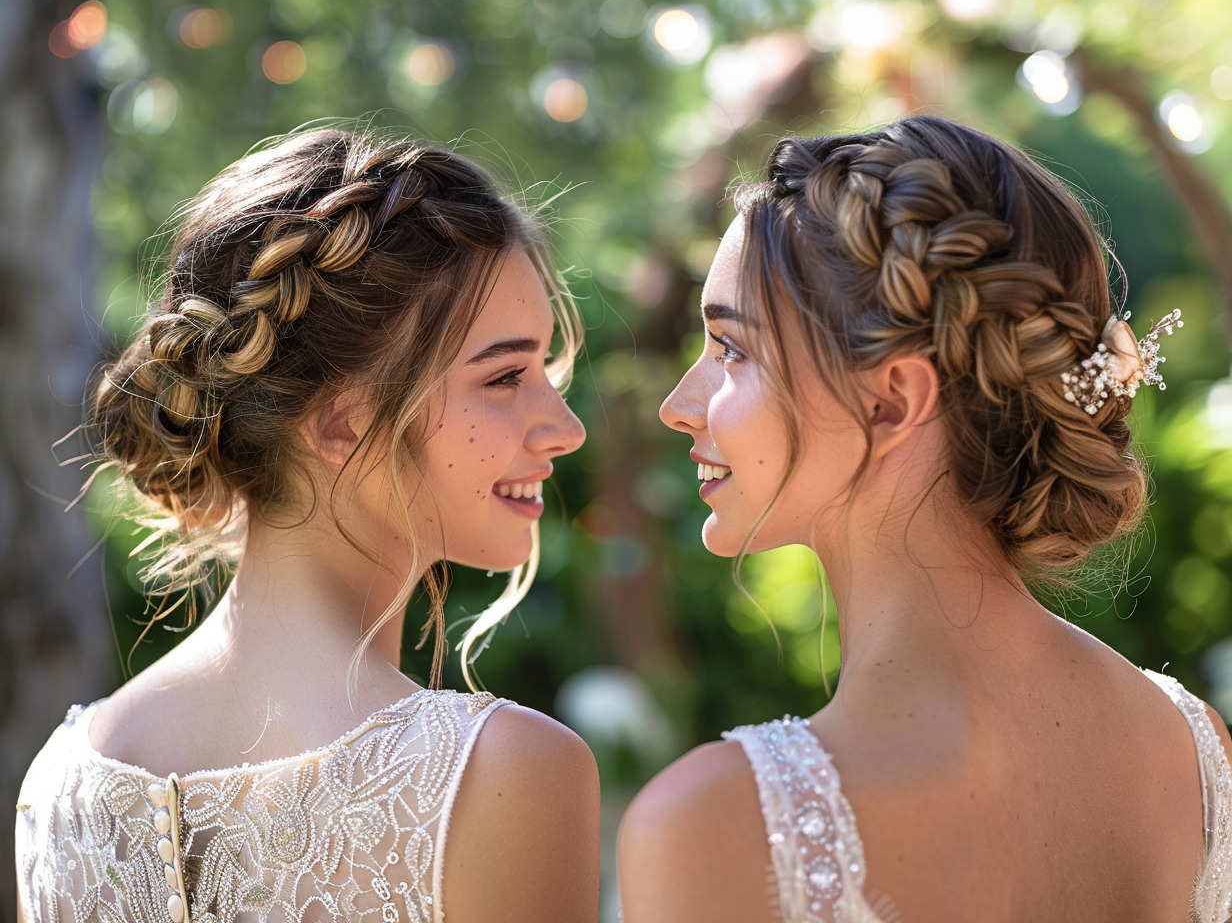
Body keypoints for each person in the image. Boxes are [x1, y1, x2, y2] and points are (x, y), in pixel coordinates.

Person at [620, 115, 1232, 923]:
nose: (677, 406)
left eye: (731, 349)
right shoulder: (1194, 755)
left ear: (893, 399)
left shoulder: (721, 827)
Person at [15, 127, 599, 923]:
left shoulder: (58, 784)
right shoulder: (498, 773)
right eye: (505, 375)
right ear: (340, 423)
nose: (565, 427)